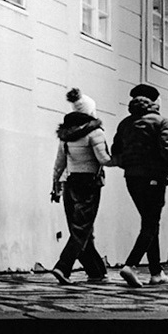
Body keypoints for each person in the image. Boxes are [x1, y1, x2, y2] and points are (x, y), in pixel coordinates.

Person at [112, 83, 168, 287]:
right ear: (155, 101)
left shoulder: (124, 124)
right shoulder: (161, 121)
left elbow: (116, 151)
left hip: (132, 179)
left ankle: (156, 273)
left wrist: (129, 166)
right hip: (154, 177)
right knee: (151, 223)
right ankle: (130, 265)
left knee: (149, 223)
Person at [48, 88, 112, 285]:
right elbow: (104, 159)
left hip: (70, 182)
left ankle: (96, 271)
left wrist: (55, 186)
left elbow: (59, 164)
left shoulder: (66, 135)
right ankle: (63, 266)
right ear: (90, 112)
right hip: (89, 183)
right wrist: (122, 159)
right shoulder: (96, 133)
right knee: (82, 230)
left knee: (82, 230)